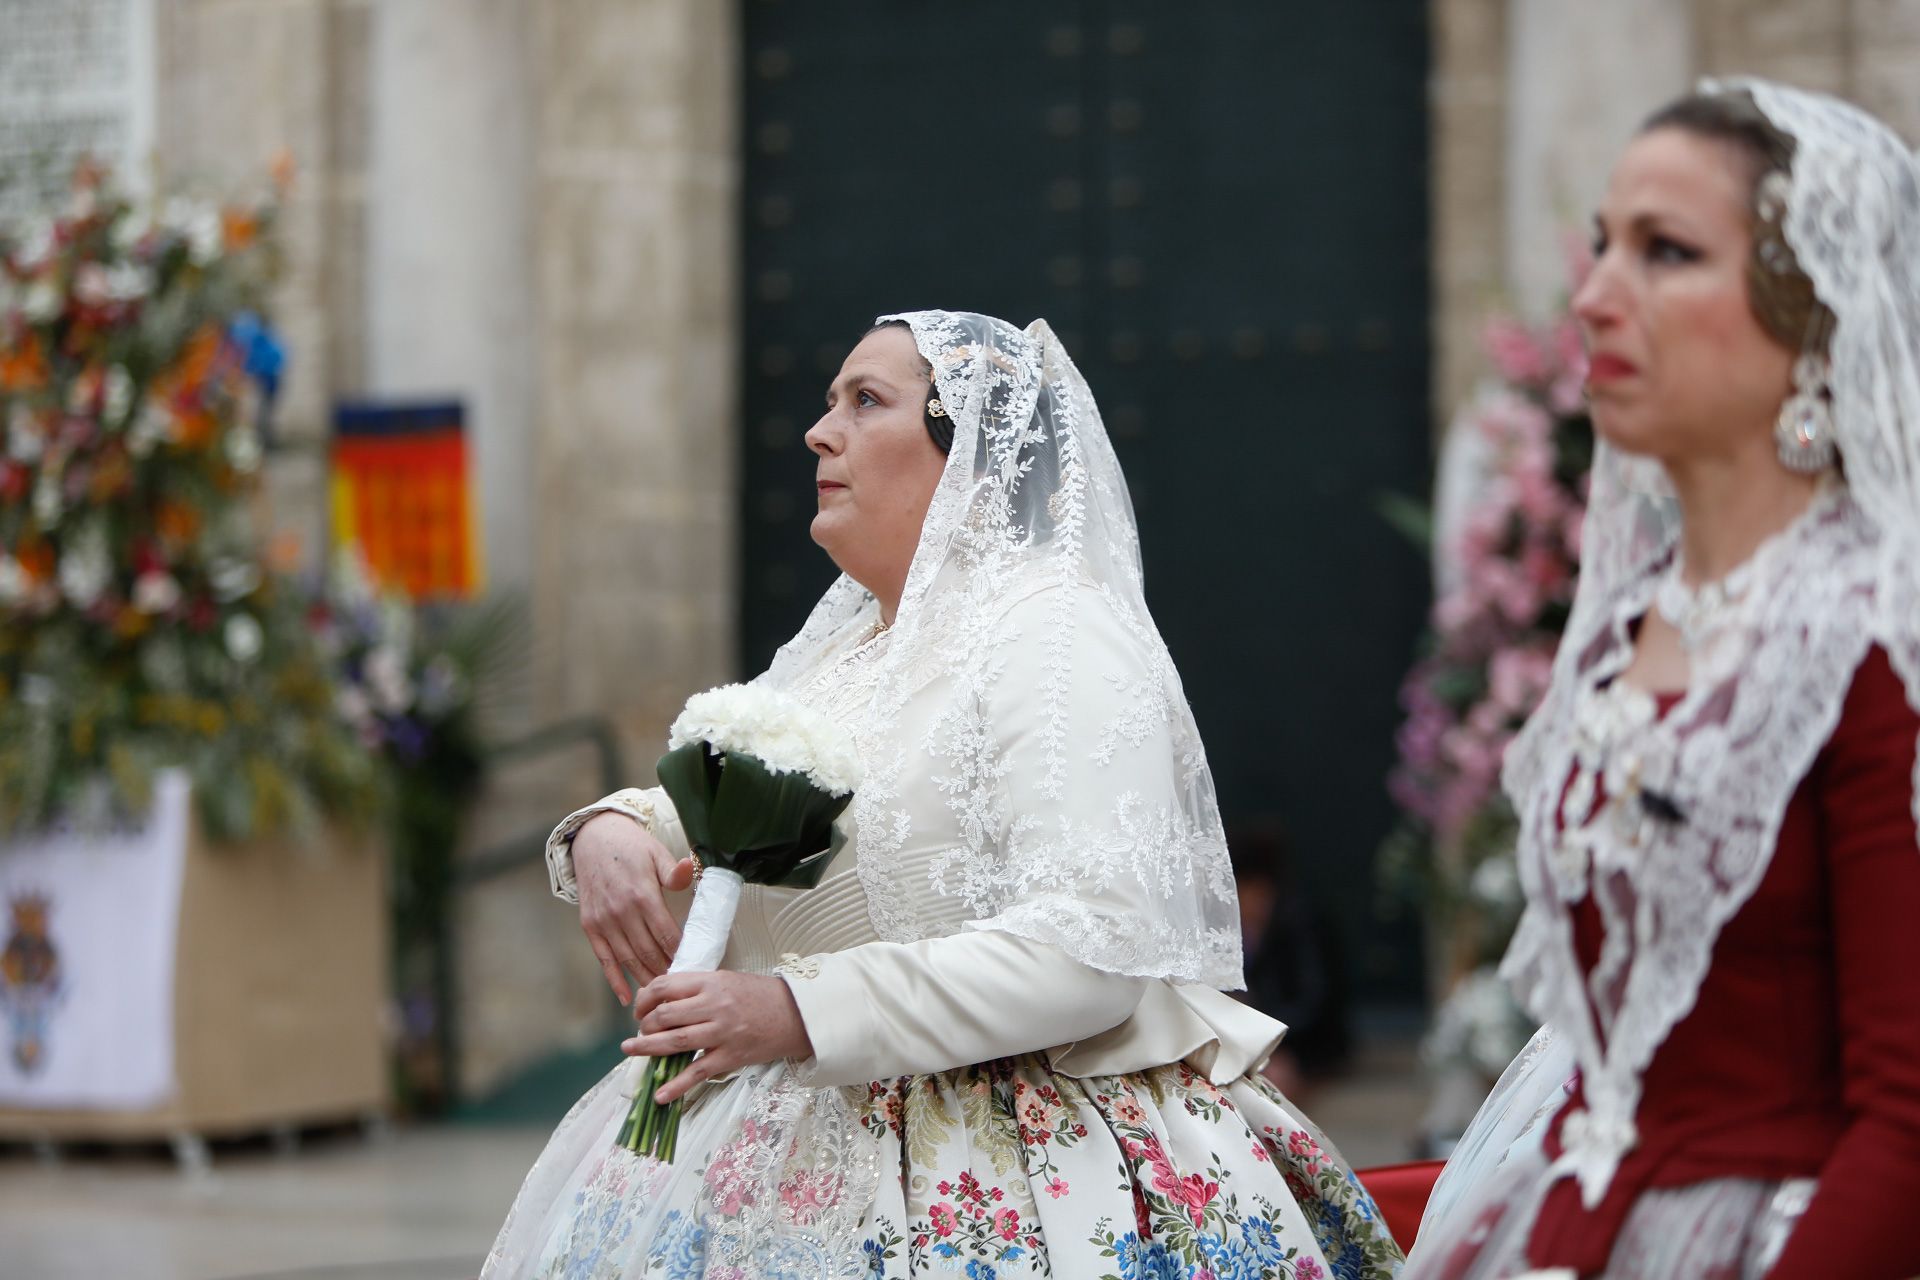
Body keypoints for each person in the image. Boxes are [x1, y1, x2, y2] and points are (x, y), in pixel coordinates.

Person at [482, 312, 1405, 1278]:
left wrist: (797, 1012)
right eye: (828, 401)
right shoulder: (844, 651)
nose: (818, 430)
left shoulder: (1055, 635)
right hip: (773, 1144)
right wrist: (614, 828)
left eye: (865, 400)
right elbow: (732, 794)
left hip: (1017, 1156)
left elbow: (1093, 946)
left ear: (971, 456)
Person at [1406, 80, 1920, 1278]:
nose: (1594, 297)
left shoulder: (1871, 634)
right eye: (1602, 246)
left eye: (1667, 251)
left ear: (1812, 316)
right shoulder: (1633, 621)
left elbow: (1907, 1107)